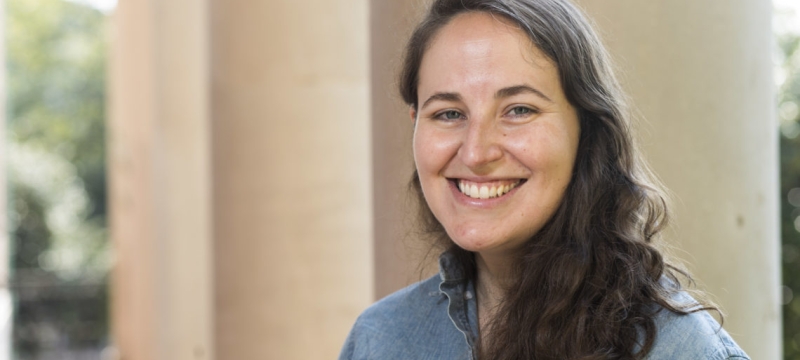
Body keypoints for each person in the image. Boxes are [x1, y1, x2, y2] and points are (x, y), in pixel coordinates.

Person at [339, 0, 750, 359]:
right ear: (416, 127)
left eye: (519, 110)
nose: (476, 152)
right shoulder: (382, 339)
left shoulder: (681, 351)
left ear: (588, 130)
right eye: (449, 113)